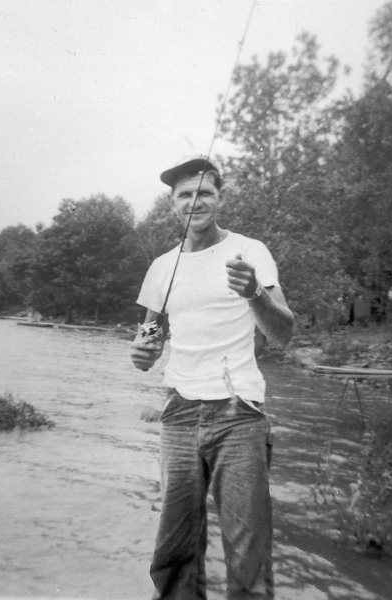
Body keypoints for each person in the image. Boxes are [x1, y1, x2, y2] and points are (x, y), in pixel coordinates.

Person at [130, 156, 294, 600]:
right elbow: (148, 341)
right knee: (173, 551)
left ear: (219, 198)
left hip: (239, 414)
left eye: (204, 192)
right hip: (178, 415)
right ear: (172, 205)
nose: (194, 201)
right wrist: (141, 351)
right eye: (185, 194)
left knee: (248, 554)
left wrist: (254, 293)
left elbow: (284, 333)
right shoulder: (162, 268)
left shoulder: (250, 250)